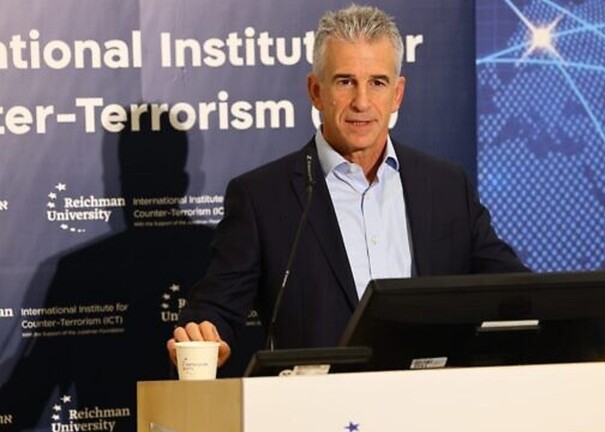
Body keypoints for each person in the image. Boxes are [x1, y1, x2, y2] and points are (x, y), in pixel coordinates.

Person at [167, 4, 529, 368]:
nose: (361, 102)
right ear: (315, 91)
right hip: (318, 401)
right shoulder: (262, 198)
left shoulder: (447, 187)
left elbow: (514, 290)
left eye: (377, 82)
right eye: (345, 81)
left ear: (397, 94)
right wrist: (202, 333)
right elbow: (216, 307)